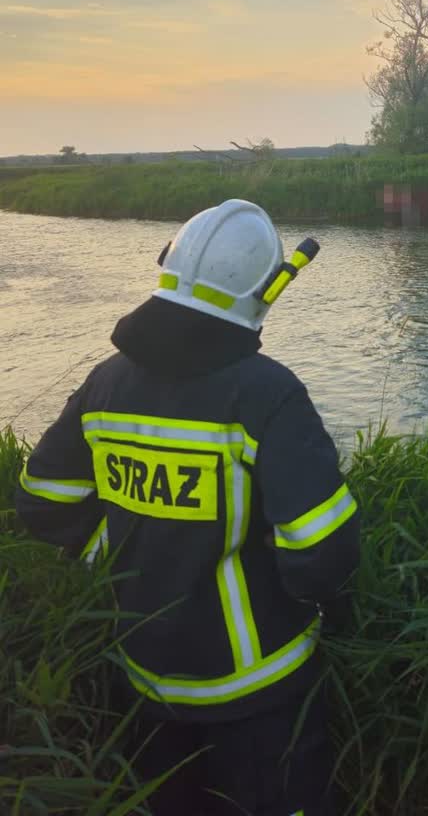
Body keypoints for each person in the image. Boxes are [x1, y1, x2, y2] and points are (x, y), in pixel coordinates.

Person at [15, 199, 360, 815]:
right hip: (260, 685)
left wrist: (106, 548)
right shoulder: (268, 394)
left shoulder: (105, 383)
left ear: (167, 268)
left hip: (144, 673)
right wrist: (322, 605)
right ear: (264, 290)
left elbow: (42, 502)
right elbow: (320, 551)